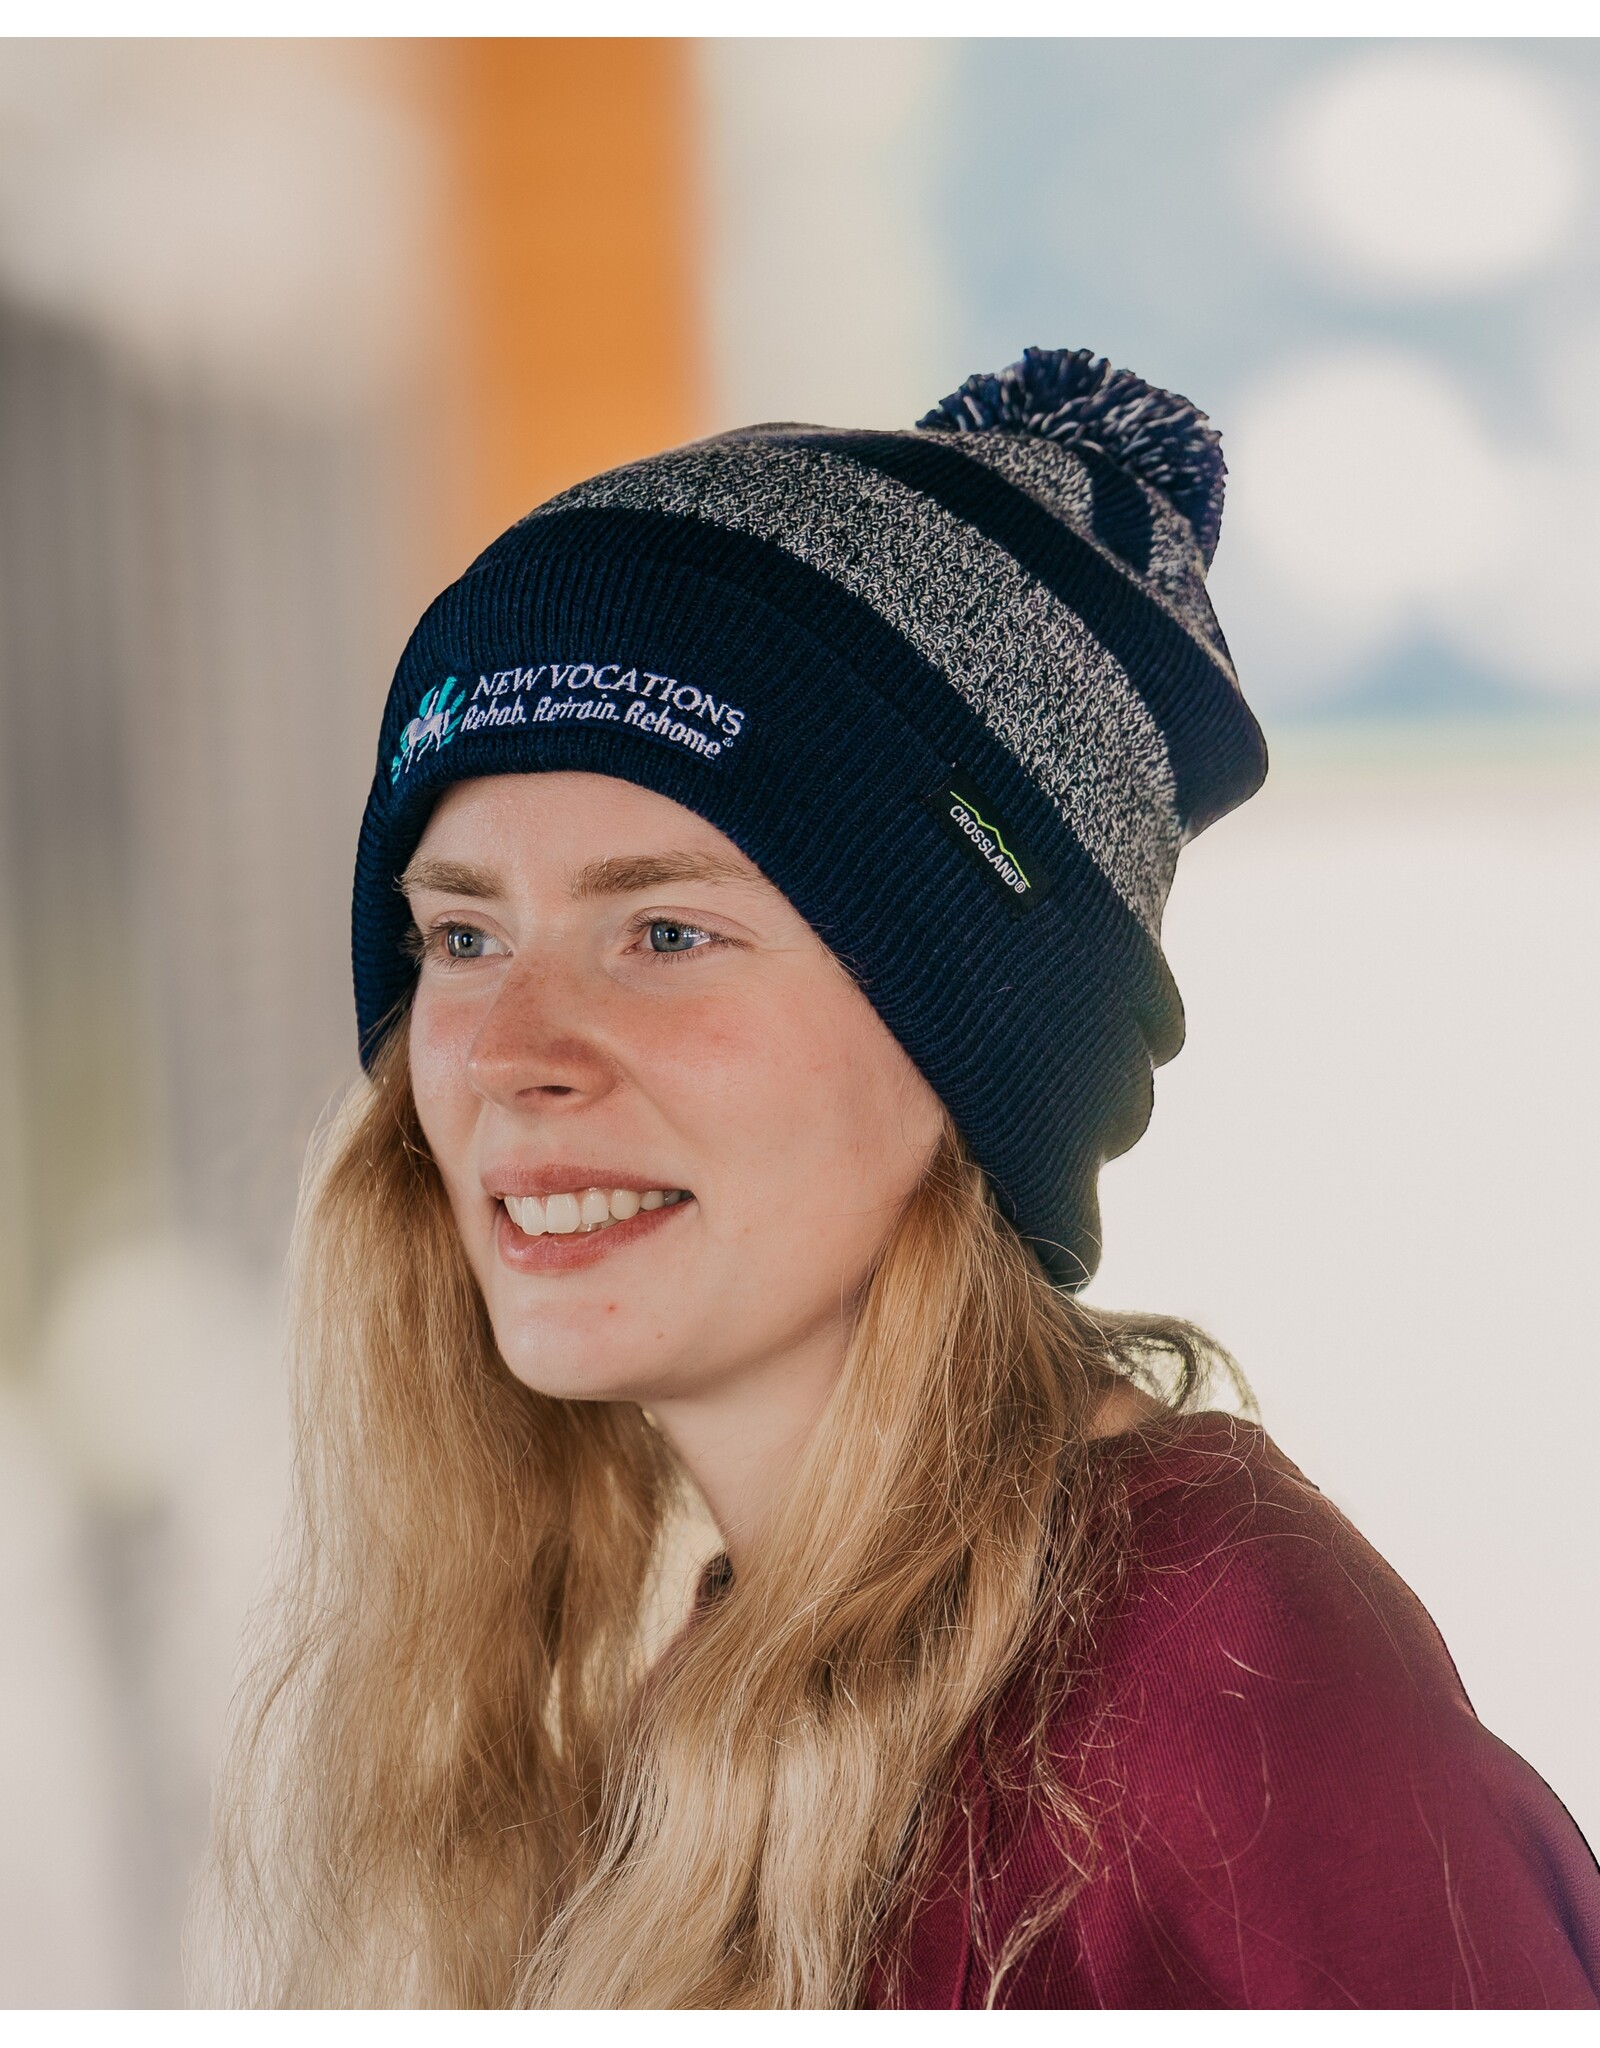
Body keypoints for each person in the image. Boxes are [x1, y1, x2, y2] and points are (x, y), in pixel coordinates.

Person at [205, 348, 1600, 2009]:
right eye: (460, 934)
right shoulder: (743, 1684)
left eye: (666, 931)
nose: (511, 1047)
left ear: (970, 1041)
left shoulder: (1210, 1701)